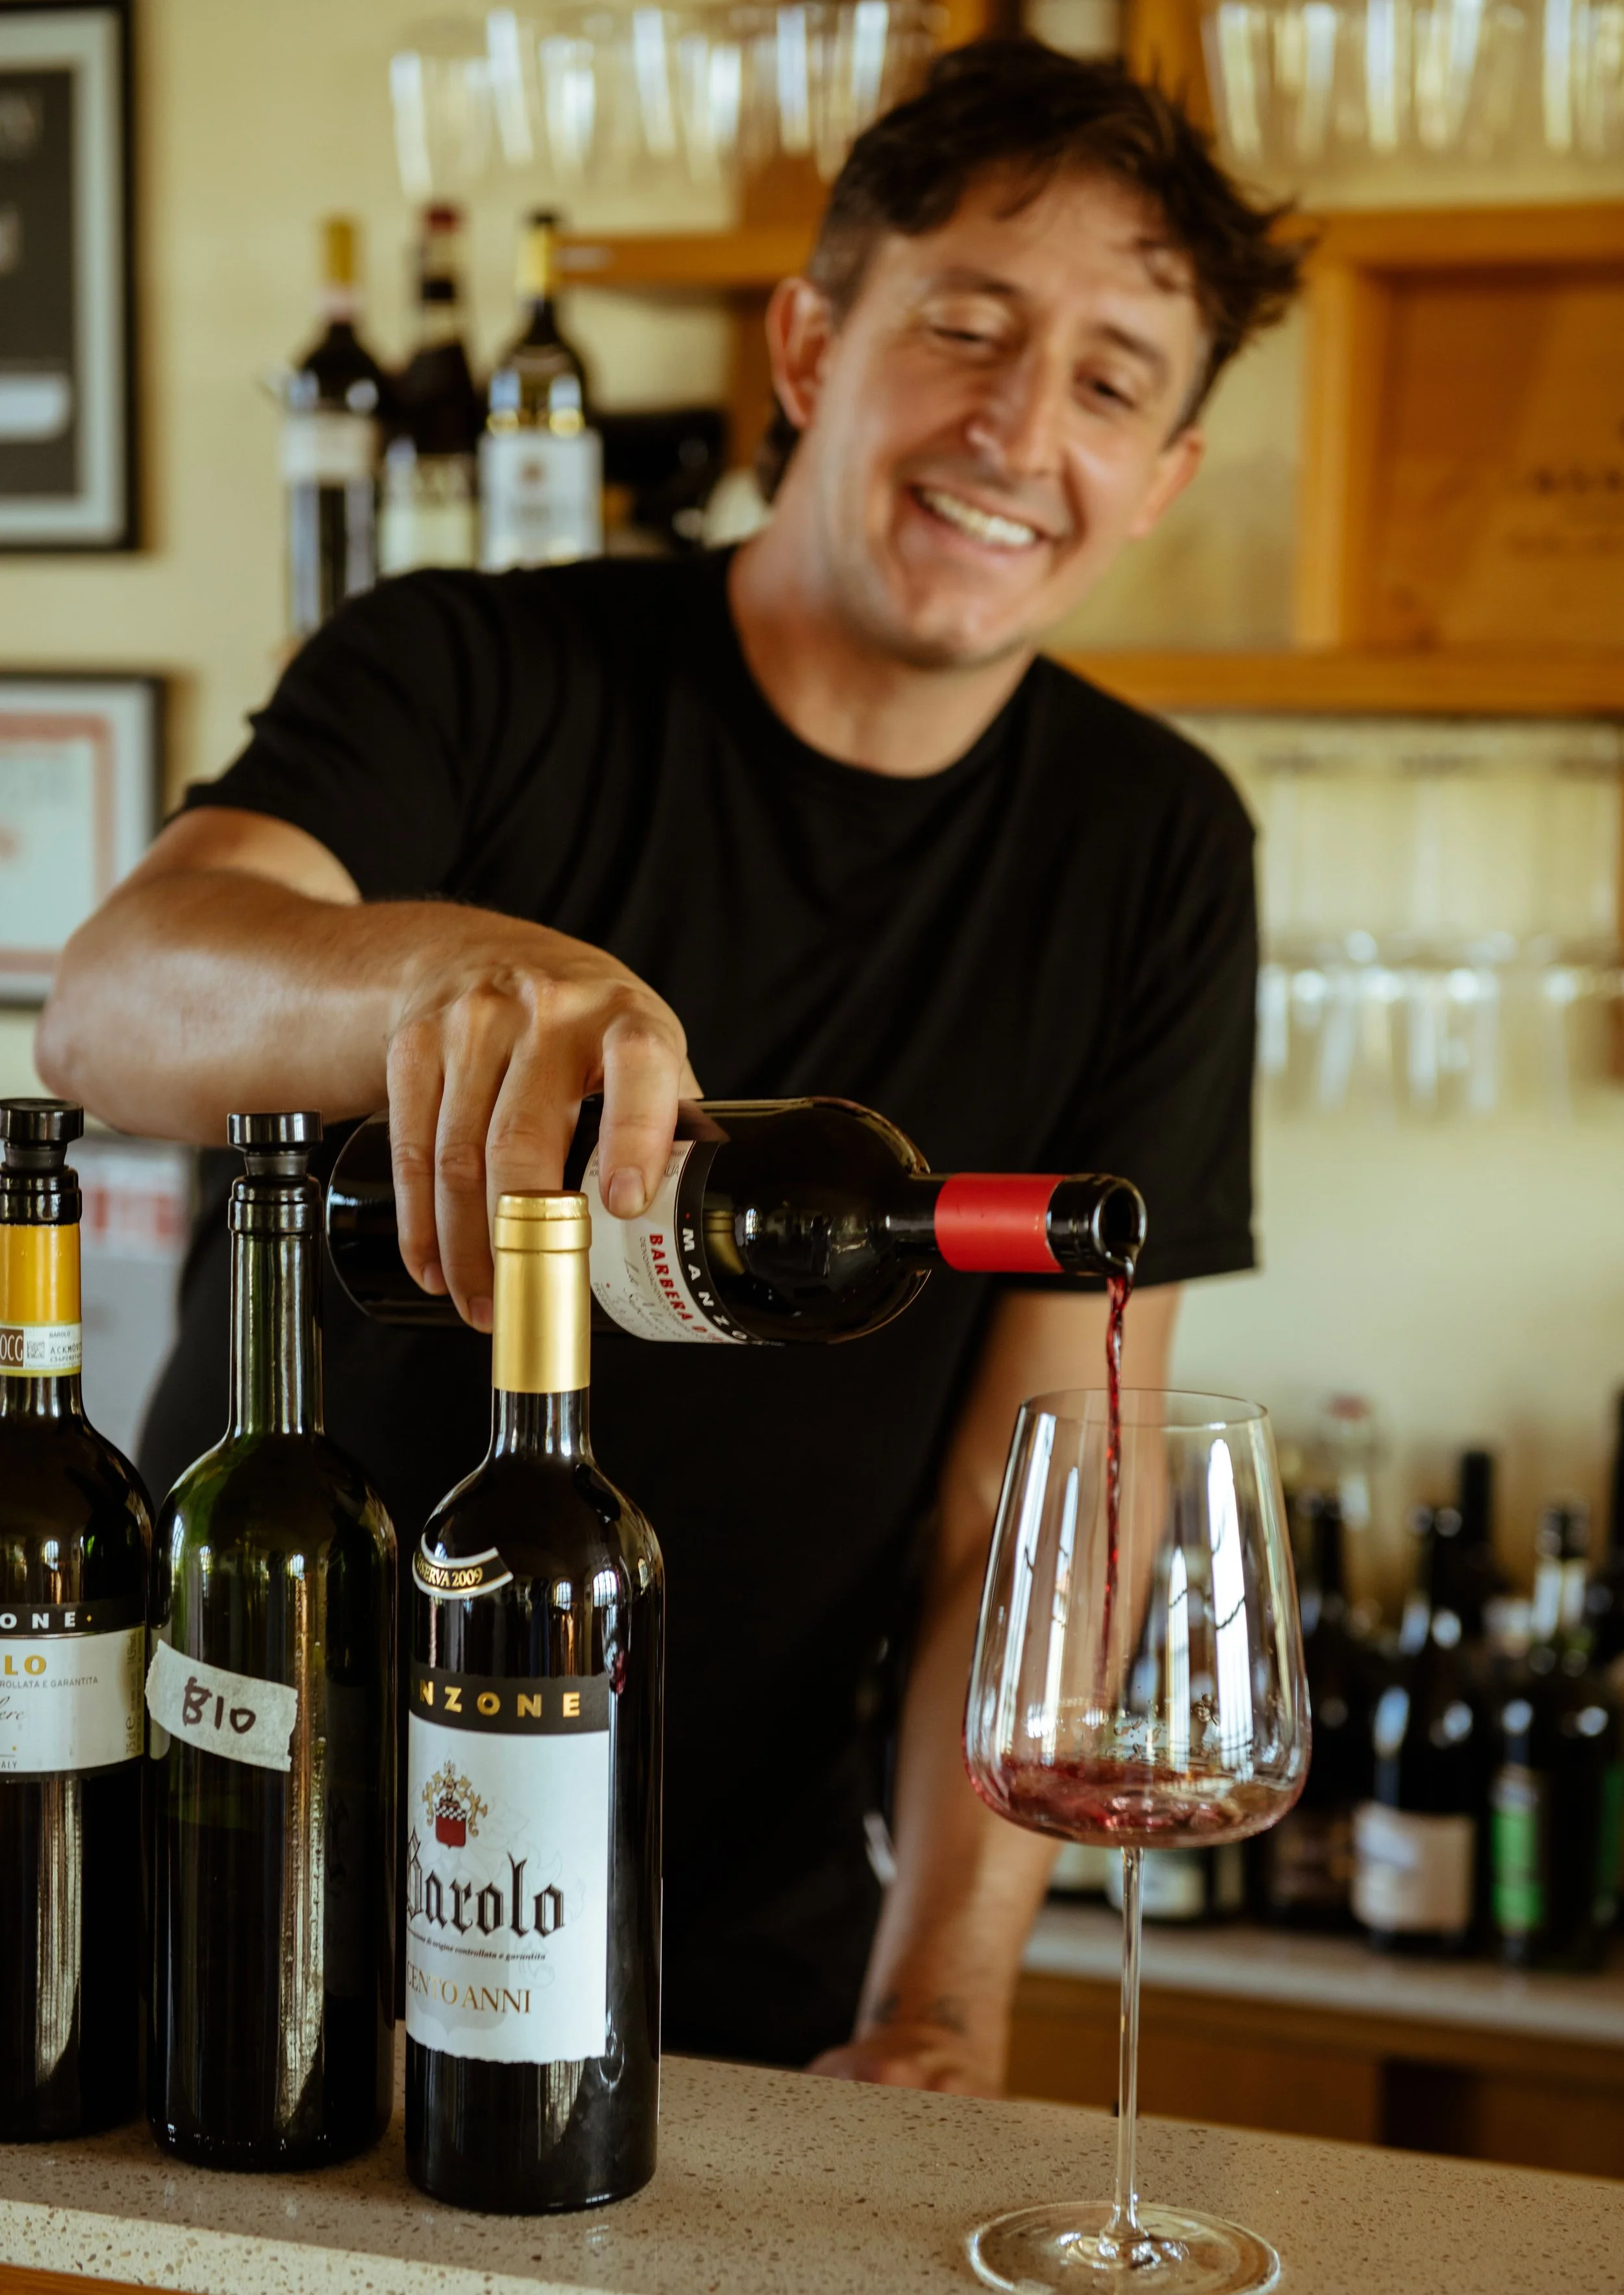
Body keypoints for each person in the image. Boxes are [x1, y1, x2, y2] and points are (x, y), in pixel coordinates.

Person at [39, 45, 1300, 2094]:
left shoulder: (1154, 847)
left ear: (1158, 473)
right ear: (810, 342)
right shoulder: (469, 667)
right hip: (244, 1837)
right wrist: (439, 971)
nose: (1015, 424)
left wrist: (945, 1996)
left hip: (721, 1938)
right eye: (963, 325)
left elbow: (1043, 1492)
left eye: (1110, 379)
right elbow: (108, 1005)